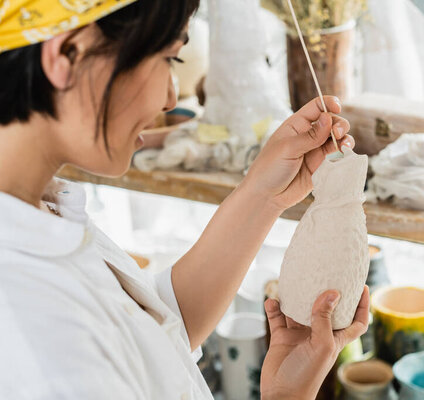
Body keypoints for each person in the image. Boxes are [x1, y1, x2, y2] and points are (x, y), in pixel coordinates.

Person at [0, 0, 370, 399]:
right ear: (69, 54)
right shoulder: (33, 338)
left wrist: (264, 195)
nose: (170, 97)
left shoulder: (39, 208)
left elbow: (148, 335)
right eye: (169, 58)